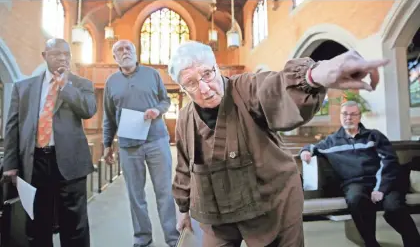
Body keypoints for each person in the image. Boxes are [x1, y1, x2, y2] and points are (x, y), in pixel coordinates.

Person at [169, 40, 390, 247]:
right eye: (191, 83)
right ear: (183, 89)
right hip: (215, 211)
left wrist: (313, 76)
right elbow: (184, 166)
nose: (205, 88)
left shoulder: (245, 89)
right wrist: (182, 207)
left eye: (207, 74)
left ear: (217, 67)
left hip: (272, 204)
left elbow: (273, 88)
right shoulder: (186, 118)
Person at [2, 38, 96, 247]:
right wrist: (10, 164)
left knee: (74, 226)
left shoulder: (82, 84)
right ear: (44, 56)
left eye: (66, 54)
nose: (62, 58)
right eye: (56, 54)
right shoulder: (23, 88)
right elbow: (12, 126)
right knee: (37, 224)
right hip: (34, 163)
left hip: (69, 164)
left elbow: (88, 110)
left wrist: (65, 87)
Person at [300, 101, 420, 247]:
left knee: (393, 208)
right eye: (345, 114)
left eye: (352, 114)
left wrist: (380, 189)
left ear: (359, 117)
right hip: (355, 183)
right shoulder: (331, 141)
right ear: (340, 116)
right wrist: (305, 151)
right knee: (355, 199)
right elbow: (312, 147)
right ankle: (370, 243)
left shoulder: (374, 136)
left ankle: (414, 242)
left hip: (385, 181)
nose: (348, 118)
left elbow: (390, 162)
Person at [103, 39, 179, 247]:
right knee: (136, 195)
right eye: (120, 49)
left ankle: (173, 239)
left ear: (136, 53)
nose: (125, 51)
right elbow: (109, 116)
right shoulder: (111, 82)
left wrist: (157, 110)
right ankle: (143, 239)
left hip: (157, 140)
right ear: (115, 57)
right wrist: (107, 144)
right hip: (129, 145)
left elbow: (166, 100)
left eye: (129, 48)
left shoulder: (152, 74)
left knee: (164, 192)